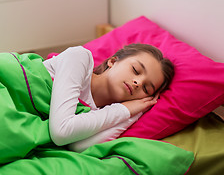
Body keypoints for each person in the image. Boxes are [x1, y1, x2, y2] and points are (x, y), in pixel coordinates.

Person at [43, 43, 174, 152]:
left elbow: (79, 147)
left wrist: (134, 112)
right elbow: (61, 133)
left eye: (146, 89)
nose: (138, 83)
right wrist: (124, 110)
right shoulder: (79, 57)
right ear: (113, 61)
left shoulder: (100, 115)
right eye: (135, 70)